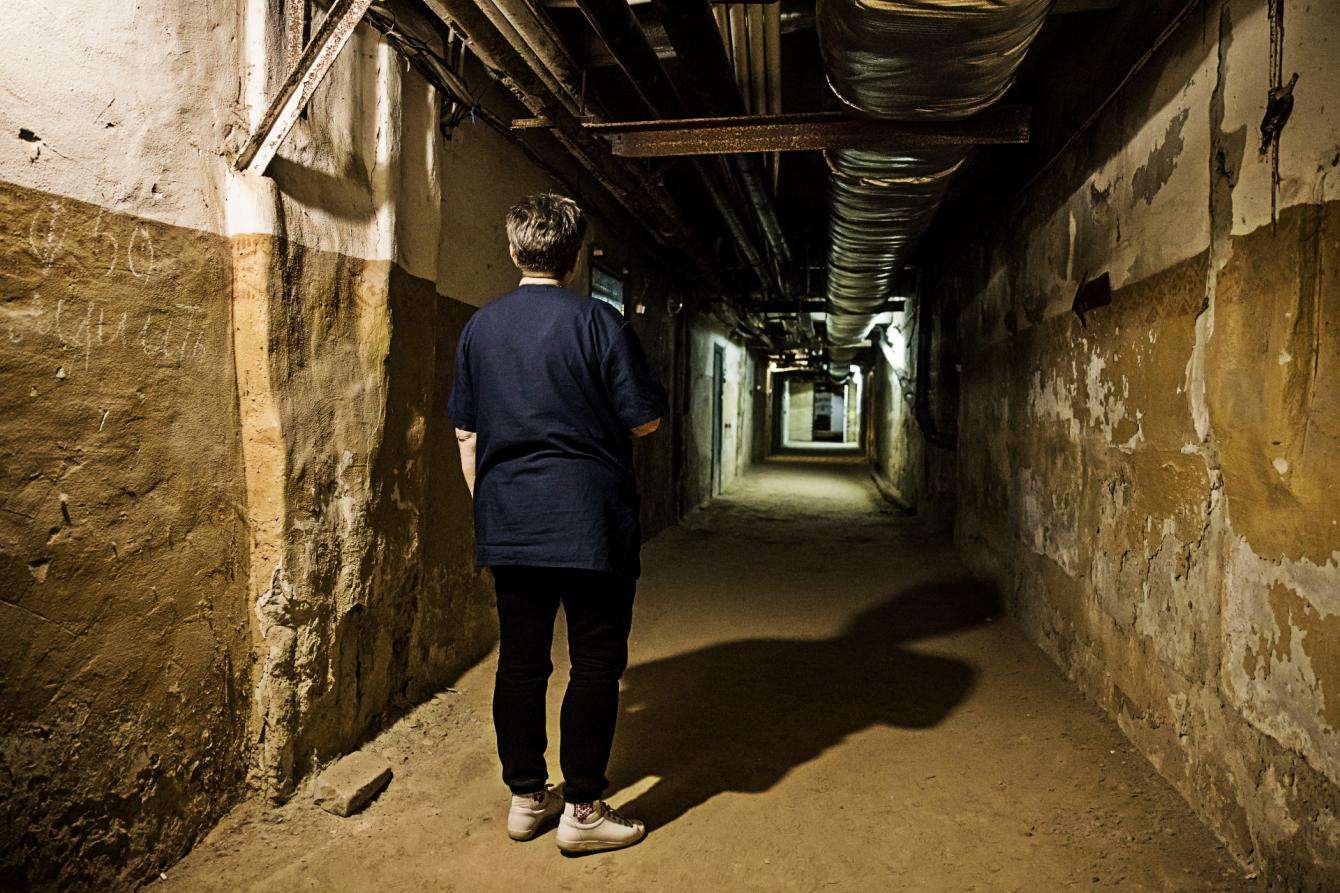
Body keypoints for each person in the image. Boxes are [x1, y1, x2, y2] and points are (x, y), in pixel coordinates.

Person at [446, 193, 667, 855]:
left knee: (521, 661)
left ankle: (524, 797)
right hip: (591, 521)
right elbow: (645, 419)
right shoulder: (599, 323)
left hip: (511, 518)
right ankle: (584, 809)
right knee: (596, 660)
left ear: (515, 251)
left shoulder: (479, 329)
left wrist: (493, 505)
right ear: (575, 259)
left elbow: (466, 431)